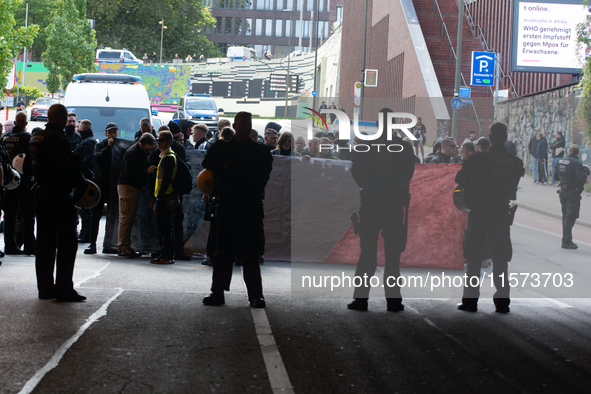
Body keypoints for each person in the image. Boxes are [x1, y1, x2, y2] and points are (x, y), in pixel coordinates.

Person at [202, 111, 273, 308]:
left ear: (250, 126)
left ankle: (255, 295)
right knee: (222, 251)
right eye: (240, 124)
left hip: (249, 206)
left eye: (247, 123)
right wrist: (227, 166)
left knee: (250, 253)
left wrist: (233, 168)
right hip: (227, 204)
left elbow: (262, 177)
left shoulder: (260, 151)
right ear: (234, 125)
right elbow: (207, 162)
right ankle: (217, 292)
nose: (244, 127)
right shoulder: (223, 147)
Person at [347, 109, 416, 312]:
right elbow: (408, 174)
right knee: (393, 254)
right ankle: (393, 300)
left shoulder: (366, 146)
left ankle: (361, 299)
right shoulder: (403, 147)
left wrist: (368, 187)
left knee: (367, 252)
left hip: (371, 203)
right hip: (394, 204)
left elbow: (356, 172)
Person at [455, 122, 524, 313]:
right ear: (506, 137)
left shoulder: (478, 159)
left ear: (491, 138)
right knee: (500, 259)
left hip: (479, 214)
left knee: (473, 257)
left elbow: (460, 179)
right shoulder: (515, 162)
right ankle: (502, 302)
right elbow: (512, 189)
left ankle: (470, 301)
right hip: (501, 216)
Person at [23, 104, 86, 301]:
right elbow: (67, 169)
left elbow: (26, 168)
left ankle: (45, 288)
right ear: (61, 118)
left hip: (41, 194)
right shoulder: (59, 139)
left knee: (44, 243)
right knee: (67, 243)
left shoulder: (35, 138)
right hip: (59, 196)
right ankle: (64, 288)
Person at [117, 133, 157, 258]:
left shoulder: (138, 151)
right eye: (147, 149)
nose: (150, 152)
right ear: (140, 145)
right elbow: (129, 174)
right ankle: (122, 247)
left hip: (132, 187)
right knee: (126, 218)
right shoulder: (133, 153)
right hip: (127, 187)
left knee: (129, 218)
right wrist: (146, 171)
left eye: (151, 149)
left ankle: (125, 246)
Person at [1, 111, 35, 255]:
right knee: (27, 216)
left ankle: (10, 245)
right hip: (24, 182)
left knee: (9, 215)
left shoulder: (5, 137)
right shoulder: (28, 138)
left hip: (8, 181)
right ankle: (29, 246)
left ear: (15, 123)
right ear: (26, 124)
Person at [85, 122, 118, 255]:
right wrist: (108, 147)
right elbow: (98, 159)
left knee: (112, 215)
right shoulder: (101, 145)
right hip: (100, 183)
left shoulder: (120, 145)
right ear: (106, 134)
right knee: (96, 215)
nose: (113, 134)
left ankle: (109, 243)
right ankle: (92, 244)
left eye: (115, 132)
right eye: (110, 132)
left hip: (113, 184)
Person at [555, 145, 590, 249]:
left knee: (566, 216)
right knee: (571, 217)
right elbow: (581, 178)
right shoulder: (576, 163)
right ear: (577, 153)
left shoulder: (560, 161)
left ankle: (567, 239)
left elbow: (555, 177)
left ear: (569, 151)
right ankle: (566, 241)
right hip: (572, 192)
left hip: (563, 191)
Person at [151, 130, 178, 264]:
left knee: (165, 228)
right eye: (157, 140)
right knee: (166, 228)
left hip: (165, 197)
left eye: (160, 140)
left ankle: (166, 255)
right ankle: (166, 254)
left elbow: (166, 180)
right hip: (165, 196)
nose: (157, 142)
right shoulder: (166, 156)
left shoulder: (168, 157)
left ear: (168, 142)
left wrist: (159, 198)